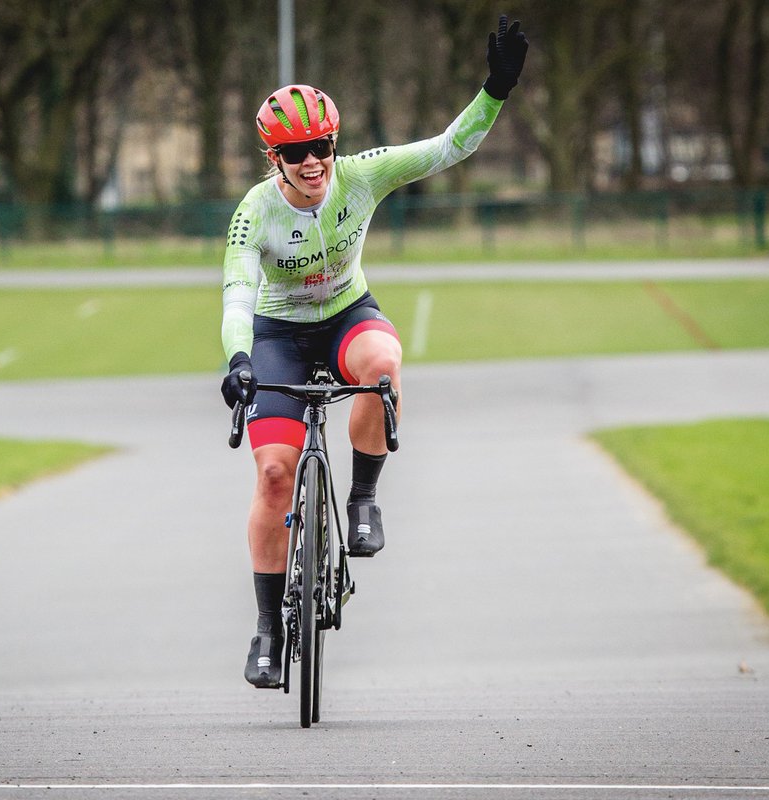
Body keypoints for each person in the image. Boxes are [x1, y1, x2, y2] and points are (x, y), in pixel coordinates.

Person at [220, 15, 529, 689]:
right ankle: (268, 630)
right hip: (277, 337)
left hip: (345, 316)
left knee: (383, 368)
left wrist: (495, 90)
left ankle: (363, 499)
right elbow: (238, 295)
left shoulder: (363, 176)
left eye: (322, 144)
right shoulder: (255, 212)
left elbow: (450, 147)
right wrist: (239, 358)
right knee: (274, 475)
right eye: (296, 149)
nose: (312, 160)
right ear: (272, 157)